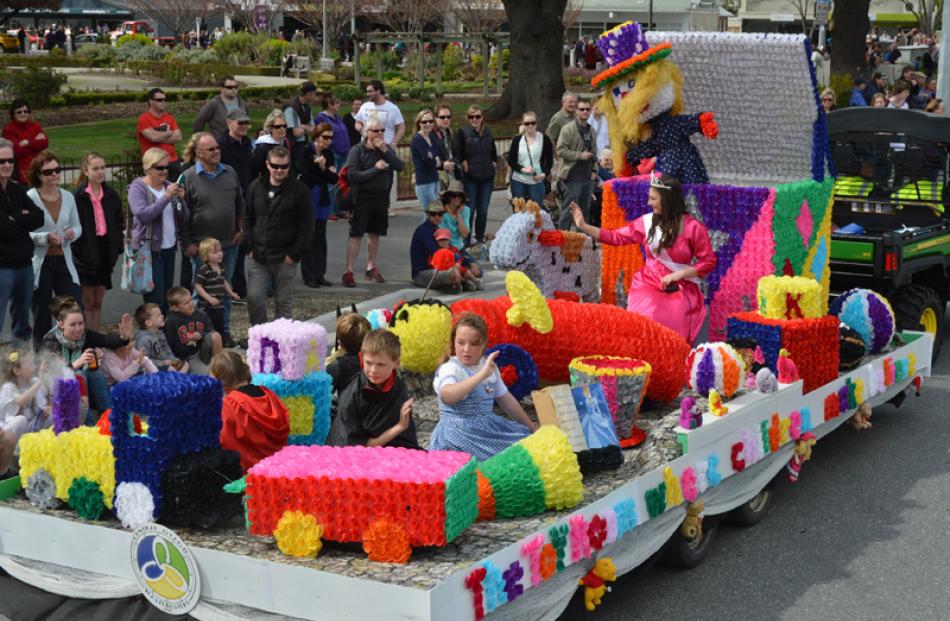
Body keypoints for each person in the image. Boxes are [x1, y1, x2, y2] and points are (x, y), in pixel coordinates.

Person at [571, 173, 716, 343]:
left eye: (653, 199)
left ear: (667, 199)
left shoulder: (693, 227)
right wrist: (583, 226)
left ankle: (671, 360)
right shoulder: (646, 223)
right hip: (648, 283)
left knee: (674, 321)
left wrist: (679, 274)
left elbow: (708, 261)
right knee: (647, 315)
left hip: (681, 287)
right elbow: (615, 237)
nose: (648, 203)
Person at [428, 312, 537, 460]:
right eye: (461, 342)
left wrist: (531, 427)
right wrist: (481, 376)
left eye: (474, 344)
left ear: (484, 344)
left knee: (527, 444)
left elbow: (506, 399)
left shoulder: (487, 366)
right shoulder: (451, 368)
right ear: (454, 341)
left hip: (485, 428)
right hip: (458, 433)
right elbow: (447, 396)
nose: (466, 349)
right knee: (503, 461)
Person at [182, 132, 244, 348]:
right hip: (202, 249)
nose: (216, 151)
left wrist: (240, 228)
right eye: (211, 149)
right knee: (201, 294)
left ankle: (224, 333)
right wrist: (187, 243)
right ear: (198, 153)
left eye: (217, 147)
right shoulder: (188, 177)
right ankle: (200, 336)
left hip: (229, 244)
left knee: (225, 292)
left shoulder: (229, 172)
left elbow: (240, 202)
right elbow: (181, 213)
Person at [243, 146, 313, 326]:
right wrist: (248, 245)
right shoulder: (255, 187)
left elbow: (306, 225)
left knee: (283, 302)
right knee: (254, 298)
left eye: (284, 166)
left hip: (285, 256)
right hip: (258, 253)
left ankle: (281, 340)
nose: (280, 170)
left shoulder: (300, 191)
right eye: (275, 166)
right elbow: (248, 217)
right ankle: (260, 336)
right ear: (267, 164)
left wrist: (295, 254)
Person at [27, 151, 83, 351]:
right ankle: (41, 356)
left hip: (63, 259)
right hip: (40, 263)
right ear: (39, 175)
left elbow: (78, 227)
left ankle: (75, 352)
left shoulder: (67, 196)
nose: (54, 175)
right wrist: (45, 238)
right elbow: (24, 233)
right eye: (48, 172)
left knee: (73, 307)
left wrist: (71, 234)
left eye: (57, 170)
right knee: (42, 312)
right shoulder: (30, 197)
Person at [327, 329, 419, 449]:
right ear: (361, 358)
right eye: (369, 363)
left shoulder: (398, 386)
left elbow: (405, 441)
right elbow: (352, 447)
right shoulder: (352, 394)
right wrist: (399, 427)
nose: (373, 370)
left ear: (396, 363)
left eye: (380, 365)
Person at [42, 297, 133, 417]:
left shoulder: (84, 334)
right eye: (73, 324)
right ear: (61, 324)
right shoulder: (51, 340)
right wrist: (76, 364)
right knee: (80, 374)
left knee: (92, 368)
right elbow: (53, 372)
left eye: (81, 323)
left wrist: (123, 338)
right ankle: (87, 420)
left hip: (87, 387)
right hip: (60, 389)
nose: (78, 328)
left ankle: (108, 412)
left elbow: (106, 340)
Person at [342, 119, 405, 288]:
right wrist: (375, 169)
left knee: (375, 233)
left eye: (382, 130)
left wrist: (385, 150)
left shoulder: (385, 149)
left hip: (381, 197)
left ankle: (371, 266)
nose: (380, 134)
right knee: (356, 234)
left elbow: (400, 166)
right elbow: (352, 175)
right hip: (362, 197)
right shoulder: (357, 150)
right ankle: (349, 271)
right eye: (376, 131)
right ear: (367, 132)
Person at [128, 147, 188, 314]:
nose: (164, 171)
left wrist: (181, 201)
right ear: (147, 169)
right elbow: (143, 215)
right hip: (149, 251)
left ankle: (162, 332)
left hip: (169, 248)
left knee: (167, 296)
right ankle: (152, 333)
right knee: (156, 298)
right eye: (159, 168)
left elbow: (184, 218)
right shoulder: (138, 188)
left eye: (166, 167)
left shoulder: (169, 186)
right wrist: (166, 197)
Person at [211, 351, 290, 471]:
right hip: (280, 468)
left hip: (250, 477)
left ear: (220, 383)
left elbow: (225, 445)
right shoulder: (268, 394)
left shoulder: (229, 407)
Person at [71, 152, 122, 332]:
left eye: (102, 168)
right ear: (86, 170)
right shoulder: (77, 197)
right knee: (88, 302)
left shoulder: (111, 194)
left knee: (98, 301)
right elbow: (72, 226)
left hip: (104, 251)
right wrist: (79, 251)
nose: (100, 172)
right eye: (95, 168)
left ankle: (96, 338)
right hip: (85, 252)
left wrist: (116, 249)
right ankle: (86, 340)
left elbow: (118, 222)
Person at [0, 138, 43, 350]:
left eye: (10, 160)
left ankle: (20, 370)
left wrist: (13, 218)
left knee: (23, 325)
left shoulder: (17, 190)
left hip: (25, 266)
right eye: (2, 161)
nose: (7, 165)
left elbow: (39, 218)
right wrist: (22, 218)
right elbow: (3, 229)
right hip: (2, 269)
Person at [295, 124, 337, 288]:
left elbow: (334, 178)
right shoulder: (305, 151)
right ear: (317, 136)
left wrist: (323, 168)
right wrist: (322, 170)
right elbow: (306, 175)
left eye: (331, 138)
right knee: (309, 238)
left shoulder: (329, 154)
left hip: (322, 199)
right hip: (308, 198)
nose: (328, 141)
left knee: (320, 238)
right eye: (325, 137)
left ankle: (320, 274)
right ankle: (309, 275)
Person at [455, 104, 497, 244]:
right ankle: (466, 239)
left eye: (477, 116)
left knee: (483, 209)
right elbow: (458, 152)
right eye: (471, 117)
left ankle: (479, 238)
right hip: (471, 176)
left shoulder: (488, 132)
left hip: (487, 176)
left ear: (482, 117)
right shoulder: (463, 132)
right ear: (468, 118)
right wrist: (464, 163)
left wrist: (494, 162)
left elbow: (493, 151)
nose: (475, 119)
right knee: (470, 209)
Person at [556, 99, 597, 230]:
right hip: (572, 177)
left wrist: (594, 170)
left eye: (587, 109)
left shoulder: (591, 130)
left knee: (584, 213)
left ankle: (582, 244)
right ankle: (561, 242)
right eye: (581, 109)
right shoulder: (568, 129)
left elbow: (594, 152)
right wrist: (579, 155)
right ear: (576, 111)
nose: (585, 112)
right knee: (568, 212)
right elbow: (560, 150)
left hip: (587, 178)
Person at [0, 351, 50, 453]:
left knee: (53, 415)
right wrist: (40, 381)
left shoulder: (33, 381)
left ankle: (44, 446)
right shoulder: (9, 387)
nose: (35, 367)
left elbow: (42, 403)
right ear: (17, 371)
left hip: (31, 425)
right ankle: (15, 454)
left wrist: (46, 408)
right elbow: (21, 400)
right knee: (21, 420)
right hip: (11, 431)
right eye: (30, 365)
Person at [410, 200, 463, 292]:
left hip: (435, 269)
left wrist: (458, 260)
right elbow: (438, 252)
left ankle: (455, 284)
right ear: (428, 215)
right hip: (421, 273)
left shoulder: (436, 229)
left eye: (440, 214)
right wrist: (455, 260)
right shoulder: (423, 230)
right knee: (453, 273)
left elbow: (450, 249)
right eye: (433, 214)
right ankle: (457, 283)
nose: (437, 217)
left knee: (469, 269)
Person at [314, 92, 351, 217]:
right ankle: (329, 210)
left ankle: (338, 208)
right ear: (329, 104)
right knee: (331, 182)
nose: (339, 105)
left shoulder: (337, 117)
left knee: (340, 182)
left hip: (343, 151)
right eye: (336, 102)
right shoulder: (321, 118)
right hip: (333, 152)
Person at [164, 286, 222, 365]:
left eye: (191, 300)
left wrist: (200, 335)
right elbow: (168, 345)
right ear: (175, 308)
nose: (191, 304)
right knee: (206, 374)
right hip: (186, 358)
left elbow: (210, 330)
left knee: (216, 336)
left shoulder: (201, 314)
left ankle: (219, 365)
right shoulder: (171, 321)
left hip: (201, 351)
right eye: (186, 303)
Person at [194, 237, 239, 337]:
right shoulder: (204, 269)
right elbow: (198, 286)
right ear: (206, 255)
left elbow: (223, 281)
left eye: (220, 250)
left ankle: (220, 346)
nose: (220, 254)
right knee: (207, 329)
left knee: (219, 328)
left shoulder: (221, 267)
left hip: (219, 305)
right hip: (206, 307)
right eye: (215, 252)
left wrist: (231, 293)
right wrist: (209, 298)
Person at [507, 110, 554, 205]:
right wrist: (523, 169)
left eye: (533, 123)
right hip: (518, 181)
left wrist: (544, 174)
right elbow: (511, 160)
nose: (530, 126)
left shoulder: (544, 139)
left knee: (536, 211)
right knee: (520, 212)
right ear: (523, 125)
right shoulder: (517, 140)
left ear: (537, 124)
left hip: (536, 181)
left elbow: (549, 161)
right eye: (527, 123)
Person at [136, 88, 183, 178]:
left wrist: (158, 136)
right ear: (151, 102)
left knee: (177, 189)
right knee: (159, 191)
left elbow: (178, 137)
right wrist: (169, 133)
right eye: (159, 100)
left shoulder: (170, 118)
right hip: (155, 163)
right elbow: (153, 137)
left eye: (165, 99)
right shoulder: (143, 119)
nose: (163, 102)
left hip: (173, 161)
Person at [326, 312, 371, 399]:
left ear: (340, 343)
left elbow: (323, 394)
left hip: (348, 410)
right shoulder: (378, 360)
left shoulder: (337, 366)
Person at [2, 100, 48, 184]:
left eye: (25, 111)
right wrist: (36, 142)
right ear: (13, 114)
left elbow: (45, 142)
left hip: (39, 171)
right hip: (22, 175)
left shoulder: (35, 126)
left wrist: (27, 142)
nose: (23, 114)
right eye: (19, 112)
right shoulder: (8, 130)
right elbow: (15, 151)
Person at [410, 108, 445, 219]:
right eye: (424, 122)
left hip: (435, 180)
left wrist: (434, 159)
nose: (428, 124)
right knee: (432, 214)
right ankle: (425, 236)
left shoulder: (431, 137)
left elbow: (438, 154)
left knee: (435, 215)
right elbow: (429, 161)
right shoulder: (418, 139)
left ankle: (431, 236)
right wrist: (434, 160)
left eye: (430, 121)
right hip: (424, 183)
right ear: (419, 123)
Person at [133, 302, 187, 373]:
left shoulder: (160, 333)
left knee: (184, 364)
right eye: (158, 315)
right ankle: (175, 380)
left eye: (161, 314)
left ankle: (177, 379)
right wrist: (163, 363)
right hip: (151, 368)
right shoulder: (143, 339)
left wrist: (173, 359)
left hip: (166, 363)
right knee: (174, 369)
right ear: (149, 323)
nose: (162, 316)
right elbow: (143, 360)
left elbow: (167, 349)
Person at [355, 80, 405, 148]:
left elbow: (401, 127)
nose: (367, 94)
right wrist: (362, 130)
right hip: (367, 148)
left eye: (370, 91)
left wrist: (394, 143)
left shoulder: (392, 108)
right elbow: (357, 123)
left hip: (385, 148)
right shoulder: (364, 106)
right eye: (367, 92)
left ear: (378, 91)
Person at [252, 109, 293, 178]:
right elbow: (254, 170)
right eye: (278, 127)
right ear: (270, 128)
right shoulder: (263, 146)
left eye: (284, 126)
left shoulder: (286, 142)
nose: (282, 129)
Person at [283, 80, 319, 151]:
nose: (315, 96)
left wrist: (303, 127)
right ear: (308, 94)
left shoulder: (307, 107)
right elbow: (296, 133)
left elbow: (313, 130)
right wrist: (307, 128)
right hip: (292, 146)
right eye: (314, 94)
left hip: (304, 144)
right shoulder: (291, 108)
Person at [439, 180, 472, 250]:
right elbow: (442, 237)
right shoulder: (441, 211)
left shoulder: (466, 210)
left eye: (459, 196)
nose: (457, 198)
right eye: (454, 195)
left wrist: (458, 215)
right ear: (448, 196)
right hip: (444, 249)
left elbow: (465, 234)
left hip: (459, 248)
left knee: (474, 261)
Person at [433, 103, 458, 189]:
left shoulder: (452, 133)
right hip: (438, 179)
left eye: (448, 117)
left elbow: (457, 153)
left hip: (452, 177)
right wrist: (442, 165)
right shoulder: (431, 135)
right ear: (436, 118)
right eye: (442, 117)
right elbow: (428, 157)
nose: (446, 119)